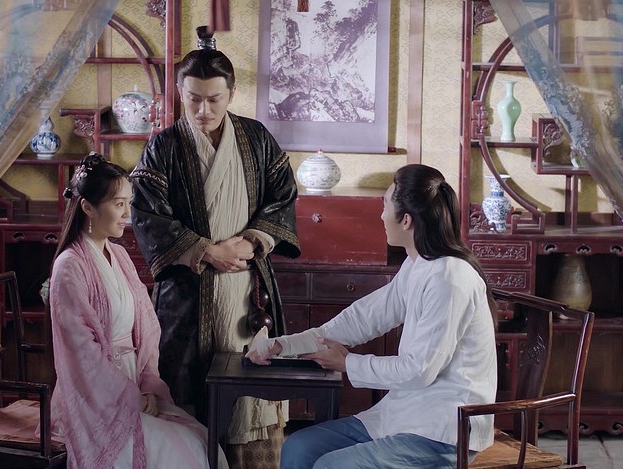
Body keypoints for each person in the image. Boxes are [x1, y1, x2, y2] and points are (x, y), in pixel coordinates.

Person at [247, 164, 498, 468]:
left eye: (385, 205)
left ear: (406, 220)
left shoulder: (449, 278)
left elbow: (419, 371)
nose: (381, 215)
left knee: (331, 466)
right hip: (405, 415)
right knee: (299, 448)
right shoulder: (418, 265)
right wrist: (283, 346)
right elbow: (362, 319)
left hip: (442, 431)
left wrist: (348, 363)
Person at [130, 25, 300, 467]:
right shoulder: (163, 147)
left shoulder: (256, 138)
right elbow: (147, 215)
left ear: (231, 94)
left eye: (214, 99)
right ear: (179, 93)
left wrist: (252, 242)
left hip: (247, 289)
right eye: (193, 99)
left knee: (250, 401)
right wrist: (206, 250)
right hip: (188, 294)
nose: (203, 110)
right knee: (184, 399)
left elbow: (283, 196)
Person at [47, 153, 228, 469]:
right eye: (118, 204)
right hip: (94, 398)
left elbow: (146, 326)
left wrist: (147, 386)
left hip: (134, 386)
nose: (127, 214)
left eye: (128, 203)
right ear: (87, 207)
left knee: (200, 439)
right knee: (178, 452)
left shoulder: (119, 255)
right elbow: (81, 353)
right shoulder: (69, 267)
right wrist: (130, 397)